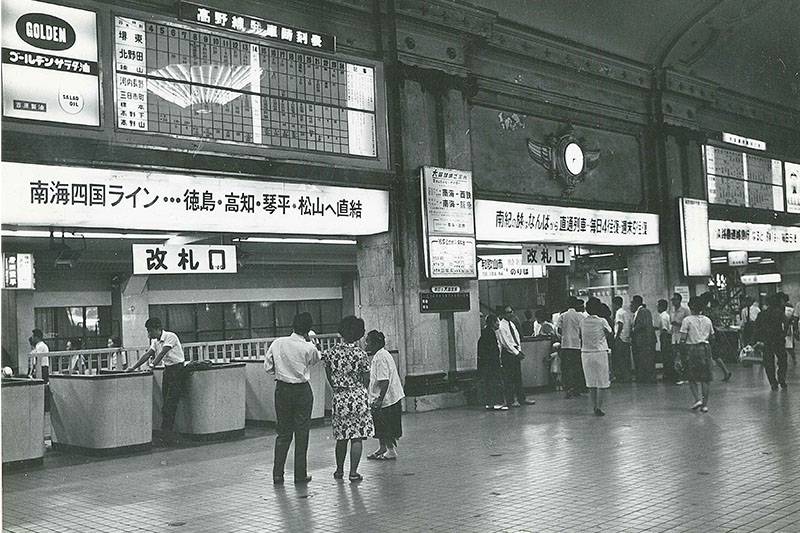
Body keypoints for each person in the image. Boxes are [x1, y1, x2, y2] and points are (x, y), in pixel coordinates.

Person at [262, 312, 320, 484]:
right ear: (308, 329)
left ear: (292, 326)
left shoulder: (278, 343)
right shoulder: (308, 347)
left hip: (282, 389)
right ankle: (300, 475)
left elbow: (268, 367)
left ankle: (277, 474)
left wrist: (281, 372)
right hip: (302, 391)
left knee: (283, 433)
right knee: (302, 433)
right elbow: (315, 360)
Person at [321, 316, 374, 482]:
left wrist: (338, 388)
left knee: (341, 436)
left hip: (339, 396)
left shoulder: (331, 353)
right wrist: (360, 389)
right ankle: (353, 472)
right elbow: (367, 377)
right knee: (356, 437)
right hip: (357, 395)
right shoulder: (361, 354)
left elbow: (329, 375)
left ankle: (338, 470)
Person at [127, 318, 188, 447]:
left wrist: (152, 365)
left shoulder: (170, 336)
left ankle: (167, 436)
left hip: (177, 371)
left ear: (158, 329)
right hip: (168, 371)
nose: (149, 334)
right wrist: (133, 367)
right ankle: (166, 435)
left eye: (150, 331)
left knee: (170, 404)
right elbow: (148, 354)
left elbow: (162, 352)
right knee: (165, 404)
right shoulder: (155, 341)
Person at [366, 330, 404, 460]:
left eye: (368, 342)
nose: (366, 345)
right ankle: (383, 447)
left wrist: (379, 400)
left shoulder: (381, 357)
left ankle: (390, 450)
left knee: (385, 425)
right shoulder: (382, 354)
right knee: (380, 425)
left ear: (375, 343)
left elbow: (384, 381)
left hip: (387, 399)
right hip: (388, 397)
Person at [678, 297, 715, 412]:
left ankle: (697, 399)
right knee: (705, 379)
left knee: (691, 376)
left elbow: (683, 338)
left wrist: (679, 354)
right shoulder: (708, 320)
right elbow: (712, 336)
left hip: (692, 349)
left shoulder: (687, 320)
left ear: (691, 307)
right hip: (705, 349)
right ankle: (705, 405)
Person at [497, 305, 535, 406]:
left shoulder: (512, 324)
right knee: (509, 378)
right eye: (508, 312)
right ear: (503, 314)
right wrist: (516, 352)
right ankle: (510, 400)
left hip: (515, 351)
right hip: (508, 353)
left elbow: (516, 338)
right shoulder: (501, 326)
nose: (511, 314)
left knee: (518, 377)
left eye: (511, 312)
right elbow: (505, 342)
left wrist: (519, 350)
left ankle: (521, 398)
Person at [580, 297, 612, 416]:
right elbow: (610, 332)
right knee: (602, 381)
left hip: (586, 353)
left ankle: (594, 406)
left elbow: (580, 334)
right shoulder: (602, 321)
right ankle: (598, 407)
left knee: (591, 382)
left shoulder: (582, 321)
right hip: (600, 352)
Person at [754, 293, 788, 390]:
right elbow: (786, 323)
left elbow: (756, 327)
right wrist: (784, 334)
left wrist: (756, 339)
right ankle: (781, 378)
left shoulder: (762, 314)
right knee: (782, 360)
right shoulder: (779, 313)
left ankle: (773, 382)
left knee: (769, 362)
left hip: (767, 340)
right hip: (778, 339)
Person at [477, 314, 507, 411]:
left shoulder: (485, 333)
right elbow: (493, 350)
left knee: (489, 382)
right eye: (497, 321)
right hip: (492, 363)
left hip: (486, 363)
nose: (499, 323)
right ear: (493, 323)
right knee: (496, 381)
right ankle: (498, 402)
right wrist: (498, 362)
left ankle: (490, 402)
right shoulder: (490, 334)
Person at [559, 297, 586, 398]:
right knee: (577, 368)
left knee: (566, 368)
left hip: (565, 345)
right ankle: (577, 389)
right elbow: (582, 330)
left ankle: (568, 388)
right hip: (577, 345)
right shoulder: (580, 316)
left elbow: (558, 330)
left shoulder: (563, 316)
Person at [704, 296, 732, 381]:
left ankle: (723, 372)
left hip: (710, 335)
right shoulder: (712, 312)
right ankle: (725, 371)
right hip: (713, 334)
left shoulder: (708, 312)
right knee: (715, 355)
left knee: (713, 355)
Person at [631, 295, 657, 383]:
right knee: (647, 359)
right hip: (647, 340)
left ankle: (648, 378)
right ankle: (648, 377)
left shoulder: (642, 312)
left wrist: (634, 329)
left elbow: (642, 324)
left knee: (646, 359)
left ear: (636, 303)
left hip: (645, 340)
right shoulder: (645, 311)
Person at [669, 293, 691, 385]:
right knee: (676, 357)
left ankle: (686, 377)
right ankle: (679, 376)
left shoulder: (685, 311)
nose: (673, 302)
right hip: (674, 337)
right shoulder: (672, 311)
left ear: (679, 300)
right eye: (672, 300)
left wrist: (678, 323)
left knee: (684, 357)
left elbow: (688, 323)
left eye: (675, 299)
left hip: (682, 336)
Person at [612, 296, 632, 382]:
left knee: (620, 358)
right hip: (626, 337)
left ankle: (624, 377)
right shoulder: (626, 312)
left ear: (615, 304)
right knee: (626, 358)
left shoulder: (619, 313)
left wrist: (617, 336)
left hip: (620, 337)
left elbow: (620, 324)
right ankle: (628, 376)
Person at [657, 299, 677, 384]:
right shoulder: (665, 316)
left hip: (665, 337)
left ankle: (668, 375)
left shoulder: (663, 316)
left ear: (662, 307)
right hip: (665, 337)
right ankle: (668, 374)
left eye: (658, 306)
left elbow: (664, 329)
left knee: (666, 356)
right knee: (667, 356)